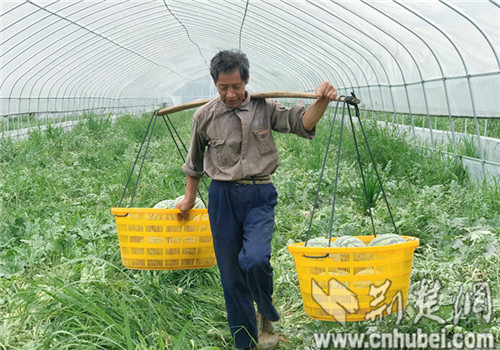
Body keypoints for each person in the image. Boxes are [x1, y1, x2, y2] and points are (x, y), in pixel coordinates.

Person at [176, 49, 337, 350]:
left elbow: (302, 123)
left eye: (236, 86)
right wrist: (188, 199)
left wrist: (322, 102)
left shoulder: (265, 107)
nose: (230, 93)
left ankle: (265, 311)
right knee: (231, 275)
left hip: (259, 195)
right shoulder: (205, 116)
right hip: (222, 197)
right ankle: (245, 342)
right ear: (215, 84)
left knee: (255, 259)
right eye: (223, 87)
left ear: (246, 80)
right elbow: (194, 163)